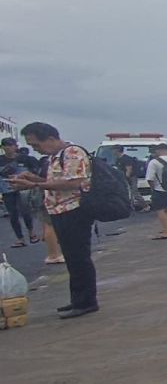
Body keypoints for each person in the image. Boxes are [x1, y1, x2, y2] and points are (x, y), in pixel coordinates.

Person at [9, 122, 99, 319]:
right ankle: (78, 300)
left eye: (36, 145)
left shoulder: (72, 153)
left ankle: (86, 302)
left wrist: (33, 183)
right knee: (72, 258)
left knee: (78, 257)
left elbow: (74, 183)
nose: (35, 149)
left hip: (74, 211)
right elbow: (54, 183)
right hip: (60, 211)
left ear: (50, 139)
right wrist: (34, 179)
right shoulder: (54, 158)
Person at [1, 137, 40, 246]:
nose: (7, 147)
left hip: (24, 189)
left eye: (10, 145)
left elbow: (36, 171)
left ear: (15, 146)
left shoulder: (26, 159)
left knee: (25, 211)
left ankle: (32, 233)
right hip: (7, 189)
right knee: (12, 214)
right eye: (5, 145)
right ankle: (20, 238)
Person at [112, 145, 145, 212]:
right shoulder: (118, 159)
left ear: (117, 150)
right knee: (128, 194)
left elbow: (129, 169)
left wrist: (126, 178)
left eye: (113, 150)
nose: (112, 151)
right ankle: (131, 207)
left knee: (134, 193)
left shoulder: (126, 158)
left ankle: (146, 206)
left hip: (131, 178)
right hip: (123, 178)